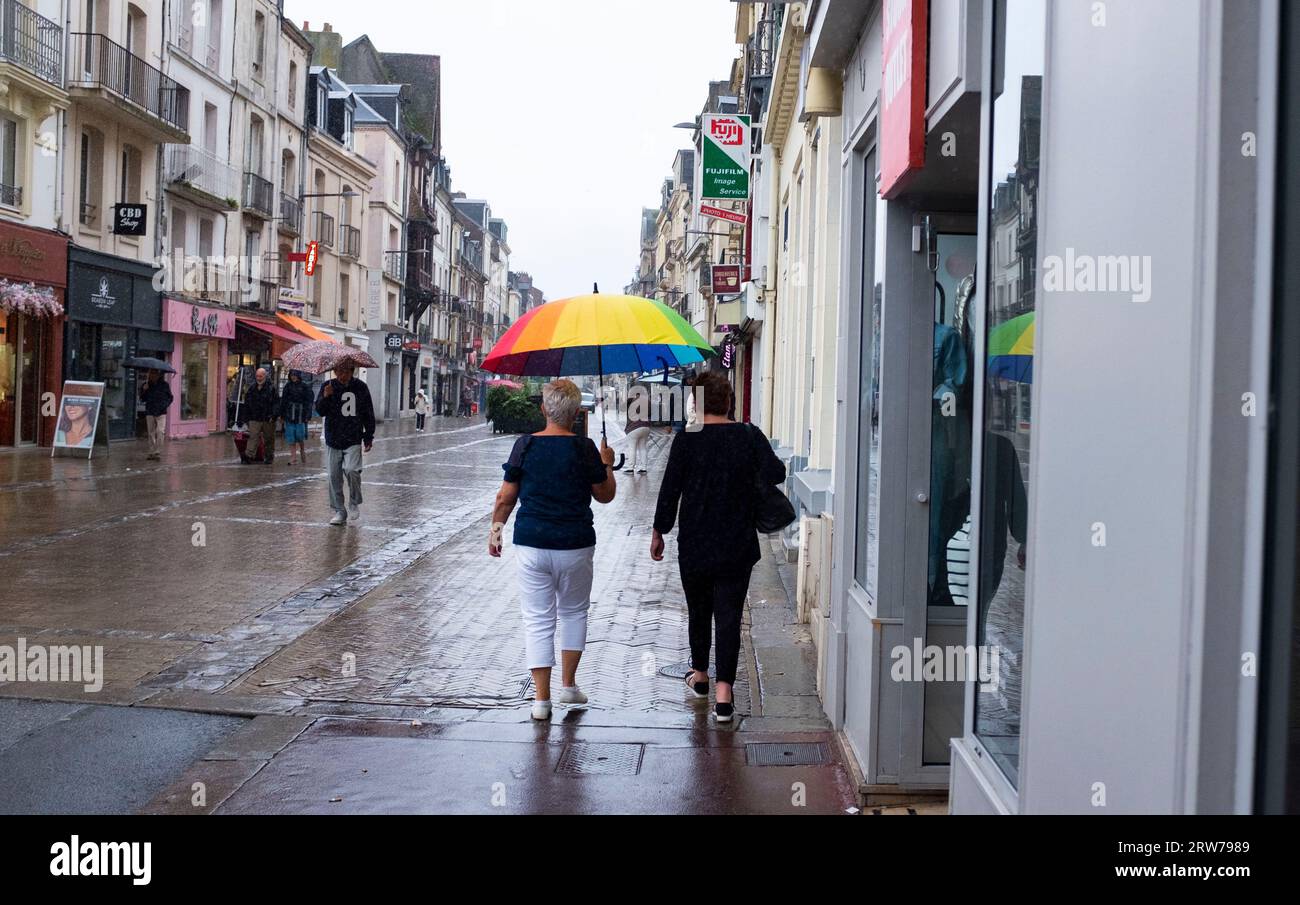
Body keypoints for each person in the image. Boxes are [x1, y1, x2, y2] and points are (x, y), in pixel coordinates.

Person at [651, 370, 785, 723]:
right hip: (736, 543)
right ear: (728, 402)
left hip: (695, 543)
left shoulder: (687, 440)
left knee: (698, 611)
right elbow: (777, 473)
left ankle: (700, 677)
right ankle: (724, 696)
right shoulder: (748, 436)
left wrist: (659, 531)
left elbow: (670, 490)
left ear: (695, 402)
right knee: (729, 615)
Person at [489, 379, 617, 720]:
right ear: (576, 414)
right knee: (574, 612)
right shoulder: (585, 448)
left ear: (544, 410)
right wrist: (606, 463)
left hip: (532, 543)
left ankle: (541, 701)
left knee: (537, 620)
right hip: (575, 544)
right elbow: (604, 496)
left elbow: (505, 497)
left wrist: (496, 531)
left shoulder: (525, 445)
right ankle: (569, 685)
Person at [315, 362, 375, 526]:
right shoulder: (327, 386)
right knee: (334, 476)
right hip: (333, 438)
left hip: (353, 437)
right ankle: (339, 510)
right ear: (334, 371)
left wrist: (368, 437)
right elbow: (320, 410)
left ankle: (354, 501)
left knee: (352, 470)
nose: (342, 375)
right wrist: (326, 397)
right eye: (339, 371)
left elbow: (368, 412)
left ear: (352, 371)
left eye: (346, 371)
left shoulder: (360, 387)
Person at [243, 367, 279, 465]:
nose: (258, 378)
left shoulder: (272, 388)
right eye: (257, 376)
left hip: (268, 418)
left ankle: (269, 456)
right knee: (253, 437)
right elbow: (247, 402)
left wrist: (274, 415)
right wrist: (246, 417)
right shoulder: (252, 388)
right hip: (255, 417)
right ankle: (249, 456)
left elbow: (276, 403)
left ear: (265, 376)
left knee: (269, 438)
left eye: (260, 376)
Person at [279, 370, 314, 465]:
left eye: (295, 375)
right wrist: (282, 415)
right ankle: (293, 457)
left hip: (300, 415)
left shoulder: (304, 387)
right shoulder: (287, 386)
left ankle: (302, 450)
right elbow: (283, 401)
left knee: (300, 435)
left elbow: (309, 402)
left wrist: (308, 415)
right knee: (291, 436)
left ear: (298, 376)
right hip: (289, 414)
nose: (293, 377)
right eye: (292, 375)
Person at [139, 369, 172, 460]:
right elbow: (142, 399)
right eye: (150, 374)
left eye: (154, 374)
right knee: (151, 432)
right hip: (150, 410)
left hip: (161, 411)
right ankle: (151, 452)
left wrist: (164, 405)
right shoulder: (146, 385)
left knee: (160, 431)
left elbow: (170, 397)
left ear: (158, 375)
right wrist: (144, 391)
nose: (152, 376)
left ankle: (157, 451)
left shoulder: (164, 385)